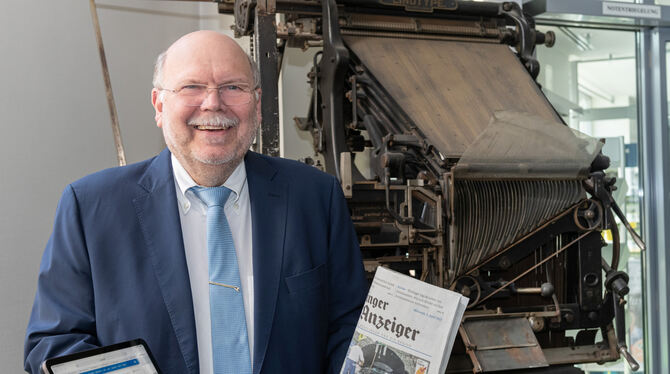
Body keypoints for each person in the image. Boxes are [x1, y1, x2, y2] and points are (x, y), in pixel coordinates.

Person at [24, 30, 367, 374]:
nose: (213, 103)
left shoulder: (316, 197)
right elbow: (54, 342)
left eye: (233, 87)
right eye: (192, 87)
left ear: (257, 104)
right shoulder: (91, 208)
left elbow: (348, 327)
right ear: (159, 105)